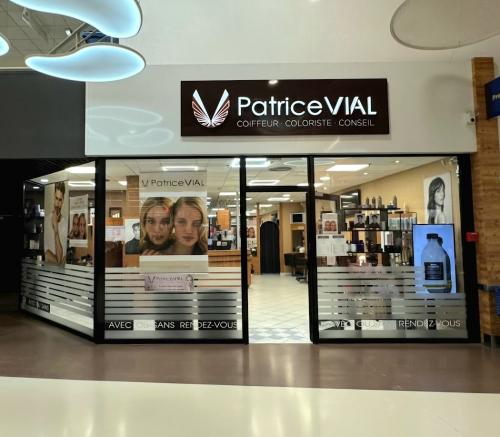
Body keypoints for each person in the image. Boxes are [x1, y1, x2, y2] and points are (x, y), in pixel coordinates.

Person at [45, 181, 67, 264]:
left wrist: (56, 228)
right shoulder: (47, 221)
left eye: (60, 200)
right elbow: (47, 255)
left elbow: (61, 258)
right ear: (54, 197)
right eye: (56, 198)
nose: (57, 203)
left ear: (63, 200)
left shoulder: (65, 223)